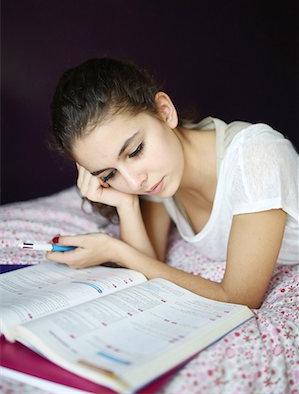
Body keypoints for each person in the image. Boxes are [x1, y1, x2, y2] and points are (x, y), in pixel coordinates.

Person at [48, 57, 299, 309]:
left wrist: (115, 250)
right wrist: (127, 205)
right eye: (109, 175)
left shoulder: (256, 155)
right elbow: (147, 263)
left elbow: (240, 298)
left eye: (135, 151)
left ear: (164, 111)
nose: (135, 181)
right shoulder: (161, 178)